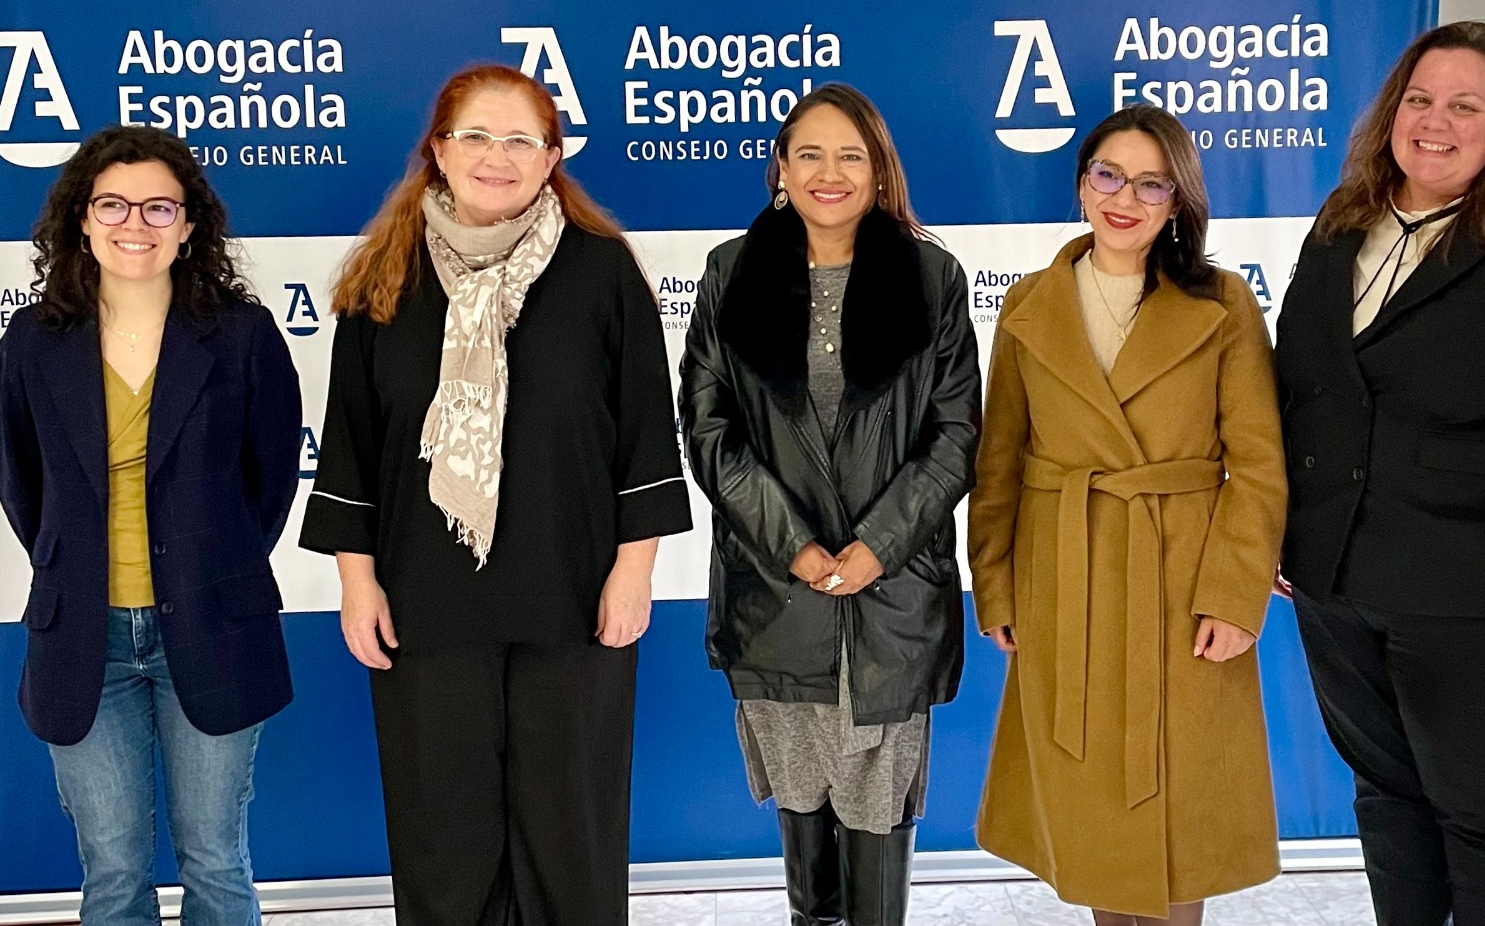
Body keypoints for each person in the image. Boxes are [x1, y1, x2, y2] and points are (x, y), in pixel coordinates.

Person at [299, 63, 692, 926]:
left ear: (551, 157)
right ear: (438, 149)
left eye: (522, 139)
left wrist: (634, 573)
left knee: (571, 836)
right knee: (443, 838)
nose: (497, 155)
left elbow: (645, 436)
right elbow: (352, 449)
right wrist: (357, 584)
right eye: (475, 134)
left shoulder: (601, 271)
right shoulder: (383, 279)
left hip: (575, 600)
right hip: (425, 601)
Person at [1275, 20, 1485, 926]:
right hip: (1339, 587)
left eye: (1464, 105)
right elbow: (1302, 389)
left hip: (1480, 598)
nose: (1434, 121)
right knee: (1389, 802)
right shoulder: (1342, 223)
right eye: (1419, 99)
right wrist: (1280, 530)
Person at [968, 105, 1288, 925]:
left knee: (1179, 812)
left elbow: (1258, 465)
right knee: (1092, 820)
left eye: (1152, 184)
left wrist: (1235, 595)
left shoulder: (1224, 303)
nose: (1125, 198)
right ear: (1082, 185)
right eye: (1109, 175)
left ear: (1178, 202)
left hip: (1182, 585)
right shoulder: (1029, 305)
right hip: (1064, 581)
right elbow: (999, 460)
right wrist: (995, 585)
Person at [679, 83, 981, 926]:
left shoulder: (932, 278)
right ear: (781, 168)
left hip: (893, 602)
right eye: (808, 153)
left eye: (851, 155)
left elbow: (955, 434)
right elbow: (709, 429)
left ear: (880, 171)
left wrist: (878, 544)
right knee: (804, 812)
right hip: (779, 598)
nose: (829, 172)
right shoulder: (731, 273)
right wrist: (796, 547)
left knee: (879, 810)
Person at [0, 125, 301, 926]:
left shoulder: (241, 335)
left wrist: (214, 561)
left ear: (188, 224)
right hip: (82, 636)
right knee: (112, 872)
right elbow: (21, 481)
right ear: (82, 219)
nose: (135, 223)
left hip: (213, 622)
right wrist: (74, 561)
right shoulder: (32, 341)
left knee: (216, 861)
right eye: (113, 205)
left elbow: (271, 478)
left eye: (159, 207)